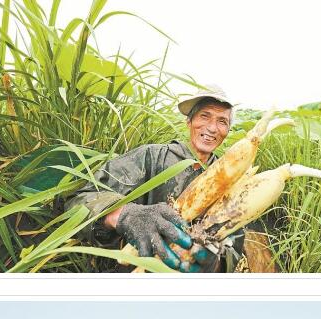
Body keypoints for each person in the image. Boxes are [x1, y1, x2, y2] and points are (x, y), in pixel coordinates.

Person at [65, 86, 243, 273]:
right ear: (189, 121)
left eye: (222, 121)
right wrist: (124, 215)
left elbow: (236, 240)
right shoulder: (150, 156)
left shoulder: (231, 178)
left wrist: (216, 265)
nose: (212, 128)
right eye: (204, 116)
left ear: (228, 130)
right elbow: (80, 199)